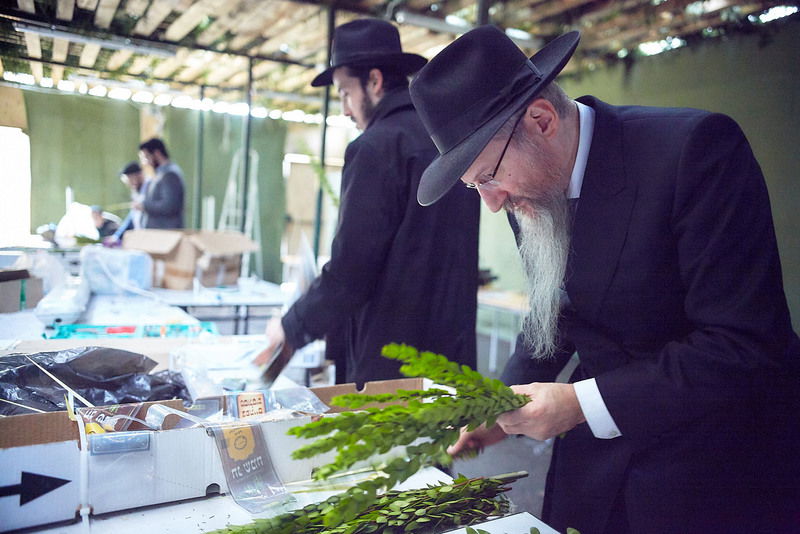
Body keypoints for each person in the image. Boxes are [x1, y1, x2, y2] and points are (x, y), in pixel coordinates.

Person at [409, 26, 800, 534]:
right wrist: (497, 403)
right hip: (598, 463)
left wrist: (579, 403)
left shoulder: (695, 151)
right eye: (474, 186)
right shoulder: (524, 187)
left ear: (541, 120)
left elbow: (743, 345)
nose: (492, 200)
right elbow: (556, 308)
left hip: (712, 462)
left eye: (488, 176)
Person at [256, 19, 480, 386]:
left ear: (374, 82)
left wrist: (291, 327)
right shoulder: (449, 139)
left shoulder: (375, 147)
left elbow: (352, 269)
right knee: (444, 444)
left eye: (345, 93)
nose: (344, 110)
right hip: (452, 355)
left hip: (392, 363)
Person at [136, 138, 184, 229]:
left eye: (146, 157)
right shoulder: (160, 174)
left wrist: (144, 205)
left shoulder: (170, 175)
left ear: (157, 153)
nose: (145, 163)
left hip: (165, 235)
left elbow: (169, 206)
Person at [105, 161, 149, 244]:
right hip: (141, 236)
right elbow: (132, 217)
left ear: (139, 175)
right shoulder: (136, 193)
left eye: (130, 179)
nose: (130, 184)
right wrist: (116, 236)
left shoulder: (150, 189)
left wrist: (144, 206)